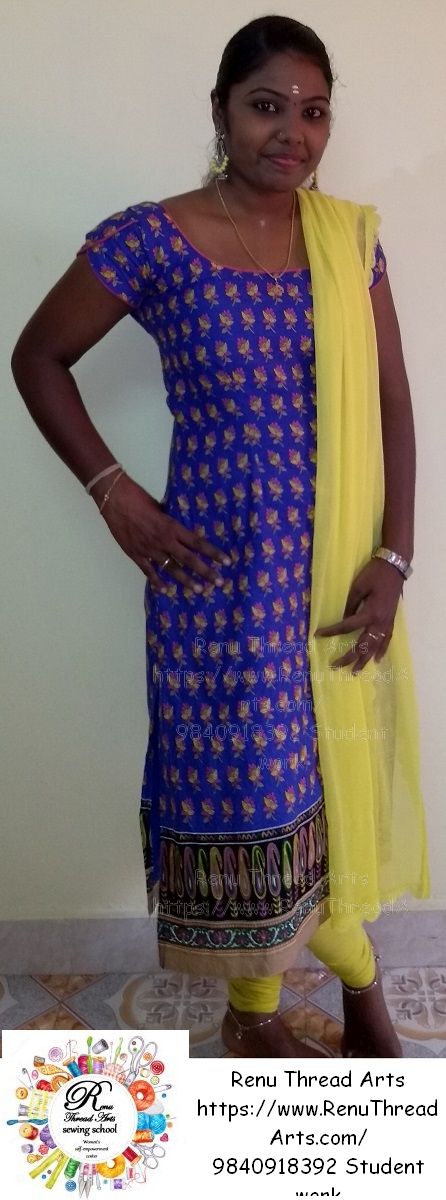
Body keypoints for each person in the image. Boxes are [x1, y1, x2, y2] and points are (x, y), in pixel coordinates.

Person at [11, 15, 429, 1059]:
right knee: (250, 806)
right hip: (216, 582)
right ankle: (269, 1011)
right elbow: (37, 357)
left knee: (331, 800)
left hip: (332, 578)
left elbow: (392, 404)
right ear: (219, 111)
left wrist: (393, 561)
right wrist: (113, 491)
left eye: (314, 111)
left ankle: (335, 995)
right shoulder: (149, 239)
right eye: (266, 105)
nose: (293, 132)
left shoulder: (349, 243)